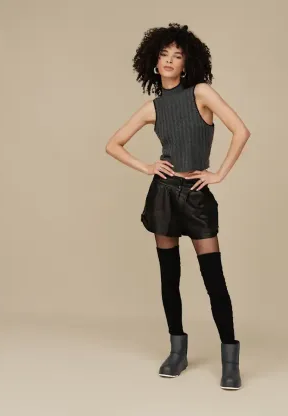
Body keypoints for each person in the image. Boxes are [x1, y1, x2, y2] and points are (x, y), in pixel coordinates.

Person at [105, 23, 251, 390]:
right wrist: (147, 167)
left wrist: (219, 173)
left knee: (213, 279)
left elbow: (241, 130)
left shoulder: (201, 92)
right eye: (164, 55)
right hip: (164, 196)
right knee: (169, 277)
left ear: (187, 64)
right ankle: (177, 352)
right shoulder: (153, 107)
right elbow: (113, 144)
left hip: (197, 195)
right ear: (154, 63)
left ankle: (230, 361)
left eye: (177, 55)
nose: (170, 61)